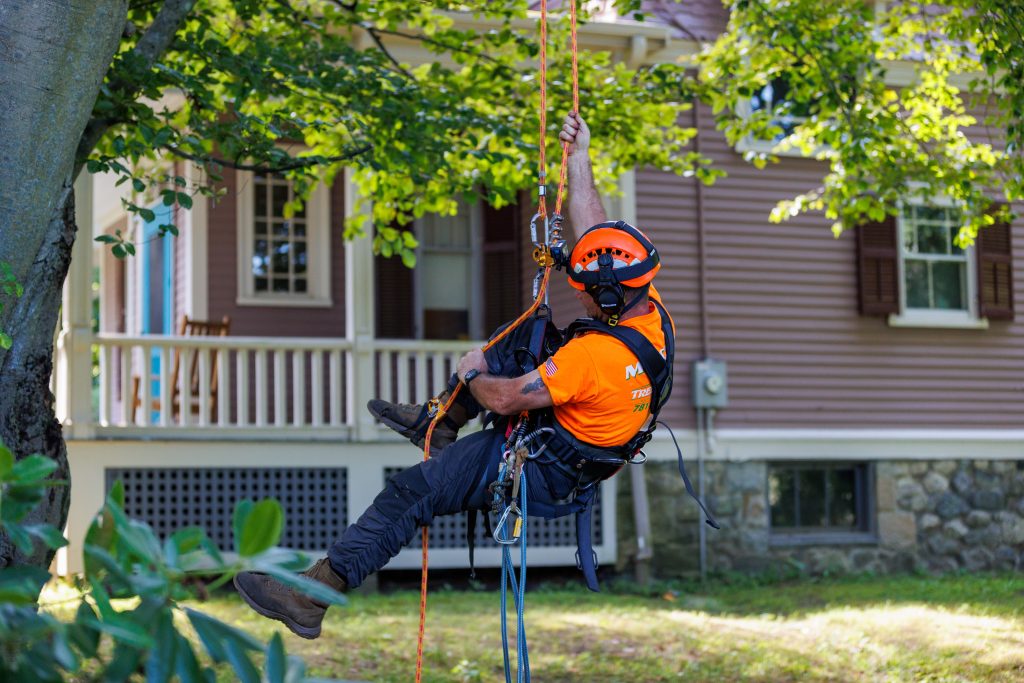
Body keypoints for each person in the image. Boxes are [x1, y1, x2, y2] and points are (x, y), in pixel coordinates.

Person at [234, 112, 675, 640]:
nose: (576, 289)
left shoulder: (594, 357)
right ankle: (435, 423)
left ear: (608, 294)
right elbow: (595, 232)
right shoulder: (649, 317)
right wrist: (578, 159)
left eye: (583, 285)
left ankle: (310, 598)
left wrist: (468, 375)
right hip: (578, 445)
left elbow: (509, 400)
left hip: (544, 466)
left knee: (413, 492)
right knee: (524, 333)